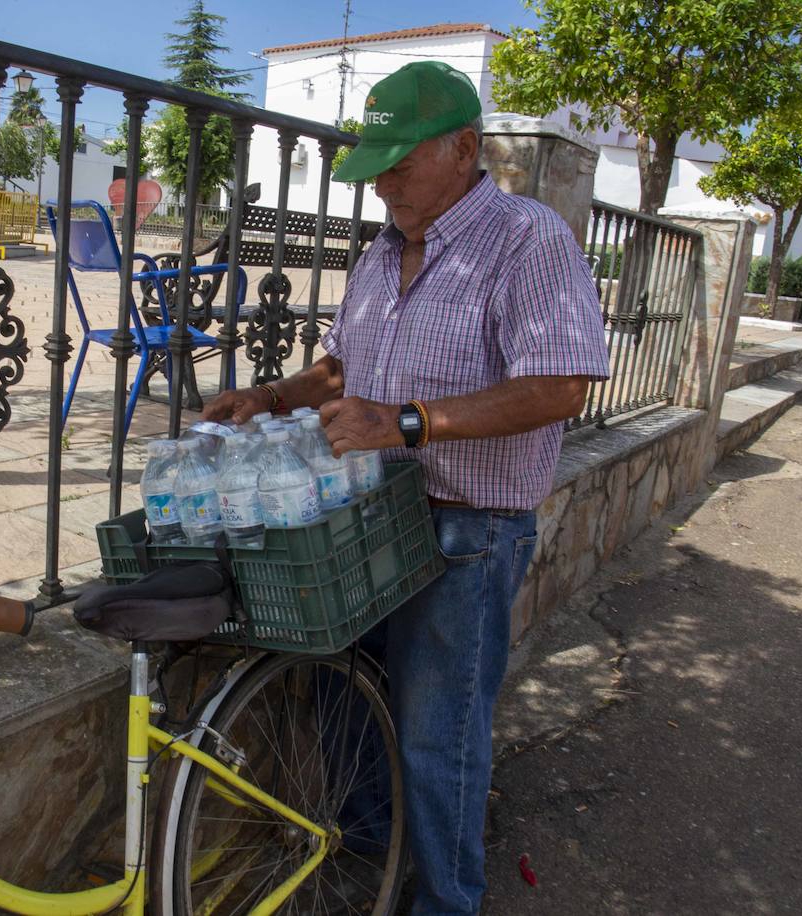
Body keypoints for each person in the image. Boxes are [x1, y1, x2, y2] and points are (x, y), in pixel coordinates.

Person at [203, 61, 611, 914]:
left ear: (465, 149)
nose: (384, 184)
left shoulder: (529, 239)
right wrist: (272, 396)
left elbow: (561, 384)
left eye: (401, 163)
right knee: (345, 699)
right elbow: (345, 366)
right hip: (365, 521)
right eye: (376, 166)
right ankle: (372, 863)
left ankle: (445, 900)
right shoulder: (382, 251)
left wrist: (408, 423)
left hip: (468, 532)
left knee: (439, 738)